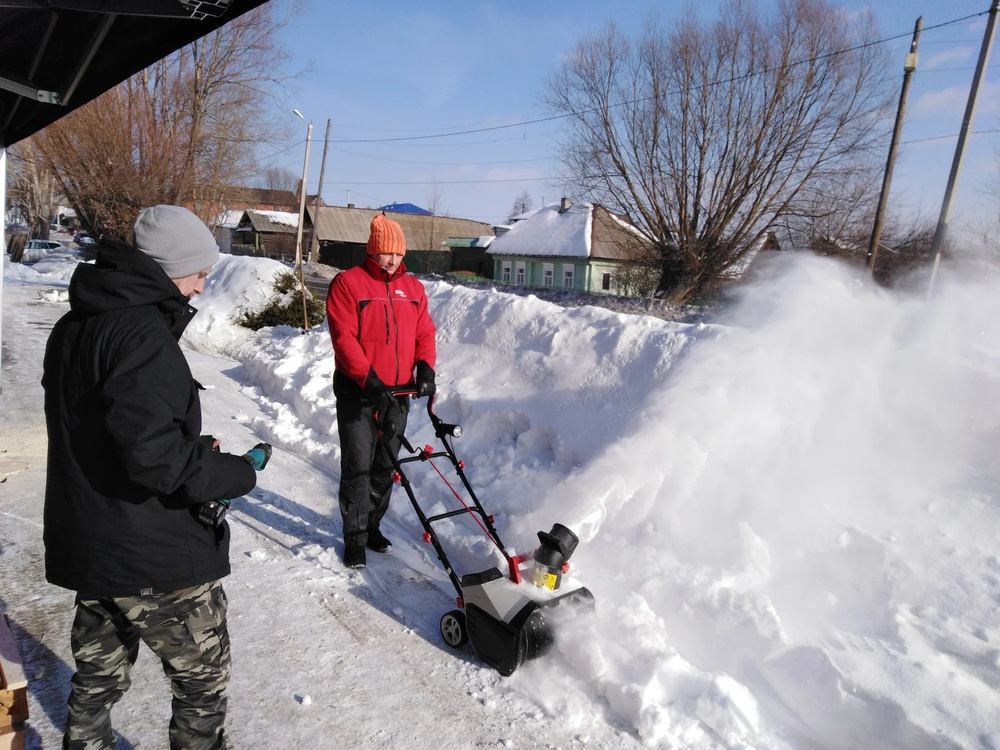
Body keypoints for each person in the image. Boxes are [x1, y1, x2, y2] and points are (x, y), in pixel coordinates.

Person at [42, 204, 271, 750]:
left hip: (95, 541)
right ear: (165, 267)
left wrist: (185, 448)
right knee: (201, 683)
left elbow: (104, 431)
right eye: (198, 271)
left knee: (97, 679)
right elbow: (157, 460)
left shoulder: (77, 324)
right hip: (152, 553)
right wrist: (235, 471)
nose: (202, 284)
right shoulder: (141, 334)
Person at [326, 213, 437, 569]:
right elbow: (344, 339)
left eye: (398, 254)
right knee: (358, 466)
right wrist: (369, 380)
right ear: (373, 252)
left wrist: (426, 367)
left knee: (384, 466)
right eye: (387, 254)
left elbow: (425, 334)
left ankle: (372, 526)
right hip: (359, 393)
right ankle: (354, 539)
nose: (393, 261)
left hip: (398, 395)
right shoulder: (348, 284)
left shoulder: (414, 289)